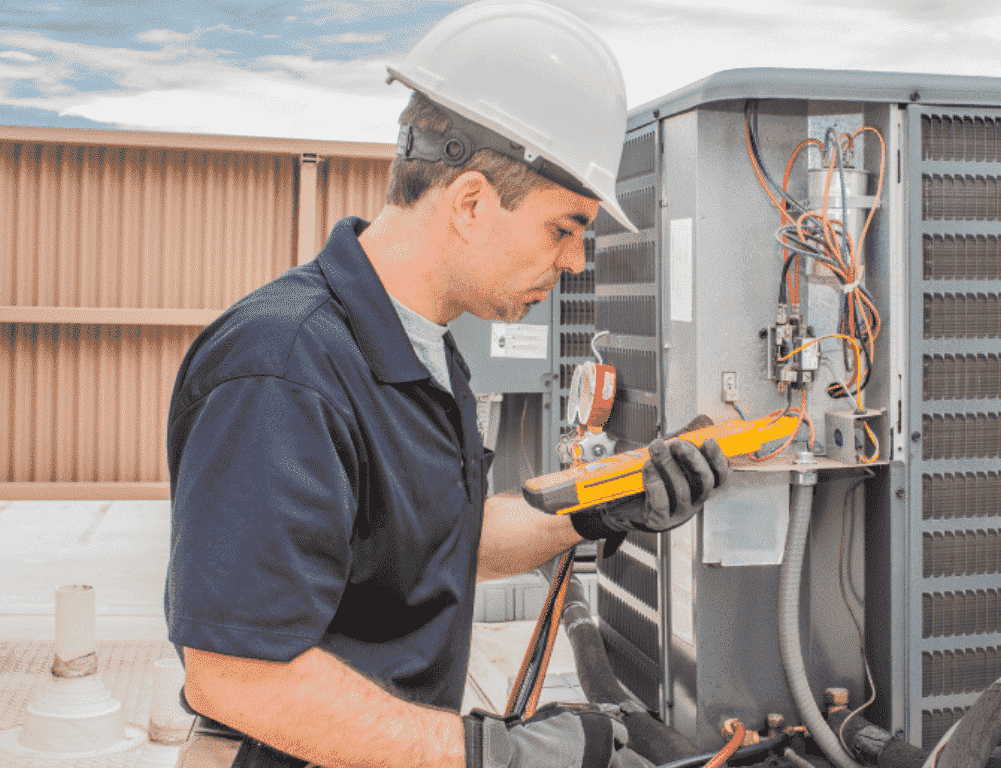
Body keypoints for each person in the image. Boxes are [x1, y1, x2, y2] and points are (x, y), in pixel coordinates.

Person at [163, 2, 728, 767]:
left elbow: (436, 548)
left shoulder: (423, 350)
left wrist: (601, 504)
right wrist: (497, 754)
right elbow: (240, 677)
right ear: (469, 202)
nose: (575, 263)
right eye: (563, 228)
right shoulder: (285, 367)